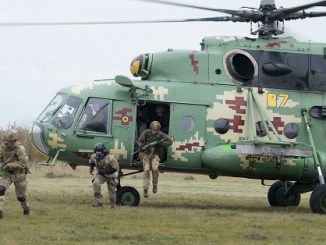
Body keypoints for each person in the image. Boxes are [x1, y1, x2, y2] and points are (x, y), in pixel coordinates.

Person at [137, 121, 173, 198]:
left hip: (155, 155)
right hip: (146, 155)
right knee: (146, 170)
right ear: (151, 128)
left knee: (155, 169)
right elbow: (139, 140)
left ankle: (155, 185)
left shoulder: (161, 135)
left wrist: (162, 144)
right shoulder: (146, 132)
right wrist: (141, 146)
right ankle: (145, 189)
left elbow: (170, 141)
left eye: (156, 130)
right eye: (153, 130)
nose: (154, 132)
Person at [0, 132, 30, 219]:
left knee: (20, 197)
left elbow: (23, 163)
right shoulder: (2, 148)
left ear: (13, 141)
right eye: (5, 142)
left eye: (8, 142)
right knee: (0, 189)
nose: (6, 144)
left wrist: (12, 164)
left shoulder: (20, 149)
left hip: (19, 175)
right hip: (7, 174)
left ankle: (26, 208)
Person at [89, 143, 120, 209]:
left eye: (99, 151)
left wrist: (105, 171)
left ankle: (113, 206)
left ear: (103, 151)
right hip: (102, 175)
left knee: (112, 194)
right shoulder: (94, 156)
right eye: (96, 151)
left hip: (112, 175)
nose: (97, 152)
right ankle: (98, 202)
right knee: (96, 183)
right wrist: (91, 168)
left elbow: (116, 168)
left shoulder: (110, 158)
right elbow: (91, 162)